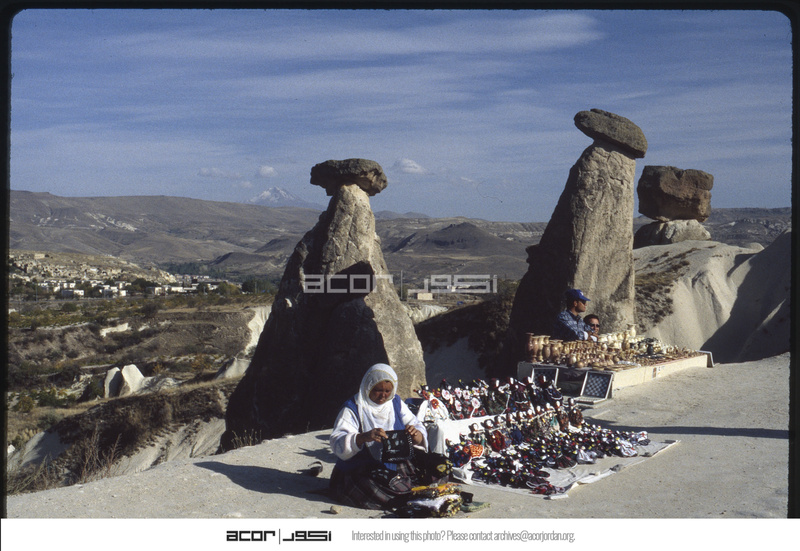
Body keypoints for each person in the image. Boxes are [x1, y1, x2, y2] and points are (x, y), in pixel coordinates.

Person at [329, 363, 440, 510]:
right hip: (361, 467)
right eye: (378, 390)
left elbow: (416, 424)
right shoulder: (353, 408)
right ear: (368, 387)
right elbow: (337, 441)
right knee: (377, 487)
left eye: (387, 391)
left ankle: (409, 493)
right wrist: (363, 437)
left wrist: (416, 435)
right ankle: (407, 497)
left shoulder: (395, 403)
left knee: (437, 470)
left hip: (394, 462)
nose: (383, 396)